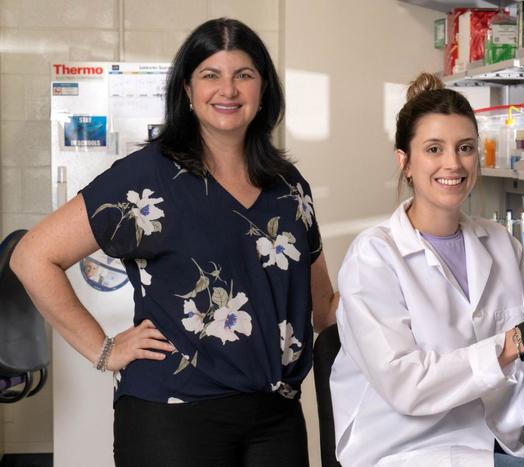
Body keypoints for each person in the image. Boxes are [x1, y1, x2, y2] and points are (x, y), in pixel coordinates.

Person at [11, 18, 337, 467]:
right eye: (210, 75)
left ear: (264, 90)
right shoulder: (149, 177)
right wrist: (103, 349)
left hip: (275, 416)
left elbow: (322, 307)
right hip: (173, 414)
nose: (228, 89)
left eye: (244, 75)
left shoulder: (289, 186)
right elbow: (32, 256)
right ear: (187, 89)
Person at [329, 73, 524, 467]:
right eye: (434, 148)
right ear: (405, 162)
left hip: (491, 445)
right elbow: (407, 385)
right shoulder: (375, 257)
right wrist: (514, 342)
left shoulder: (497, 243)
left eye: (464, 148)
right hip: (409, 452)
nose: (452, 163)